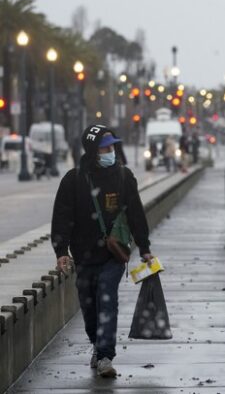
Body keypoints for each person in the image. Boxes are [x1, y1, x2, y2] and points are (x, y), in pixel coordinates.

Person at [51, 124, 154, 378]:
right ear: (92, 150)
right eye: (105, 147)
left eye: (112, 146)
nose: (111, 152)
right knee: (89, 308)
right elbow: (62, 217)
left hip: (113, 254)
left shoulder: (123, 176)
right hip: (84, 256)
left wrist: (144, 248)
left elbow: (136, 213)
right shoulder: (73, 180)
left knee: (107, 298)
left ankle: (106, 355)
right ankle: (97, 345)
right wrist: (61, 250)